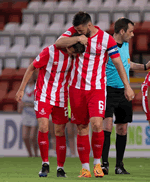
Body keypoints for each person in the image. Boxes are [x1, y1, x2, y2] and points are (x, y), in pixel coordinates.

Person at [55, 12, 135, 178]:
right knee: (82, 127)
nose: (78, 31)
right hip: (76, 88)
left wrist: (127, 86)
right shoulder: (75, 33)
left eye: (80, 29)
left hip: (97, 88)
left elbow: (118, 62)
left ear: (89, 25)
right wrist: (76, 39)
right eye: (76, 30)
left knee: (97, 124)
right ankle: (85, 168)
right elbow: (58, 43)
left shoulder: (106, 39)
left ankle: (98, 164)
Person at [15, 38, 85, 178]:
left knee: (60, 130)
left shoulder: (75, 57)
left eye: (77, 53)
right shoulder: (49, 51)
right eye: (73, 51)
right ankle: (45, 163)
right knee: (43, 127)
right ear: (69, 45)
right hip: (43, 95)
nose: (74, 55)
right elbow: (31, 67)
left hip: (62, 97)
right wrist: (21, 89)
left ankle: (60, 167)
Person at [101, 18, 150, 175]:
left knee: (122, 128)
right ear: (122, 32)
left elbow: (126, 64)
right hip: (108, 90)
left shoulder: (126, 45)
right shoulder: (106, 45)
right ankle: (104, 164)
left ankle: (119, 165)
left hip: (124, 90)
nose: (133, 34)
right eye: (130, 31)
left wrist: (144, 67)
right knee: (107, 127)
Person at [17, 74, 38, 157]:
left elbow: (38, 101)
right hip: (25, 114)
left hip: (34, 114)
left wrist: (29, 104)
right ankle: (30, 154)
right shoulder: (24, 87)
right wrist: (20, 107)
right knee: (25, 137)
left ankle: (36, 154)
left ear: (33, 78)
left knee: (32, 137)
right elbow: (20, 99)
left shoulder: (36, 87)